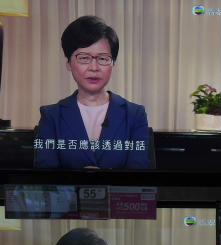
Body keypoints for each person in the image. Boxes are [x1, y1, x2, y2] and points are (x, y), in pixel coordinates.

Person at [36, 16, 150, 169]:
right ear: (68, 63)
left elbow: (139, 178)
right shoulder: (51, 116)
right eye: (84, 58)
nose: (94, 67)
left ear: (113, 64)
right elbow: (45, 177)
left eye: (103, 58)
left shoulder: (135, 115)